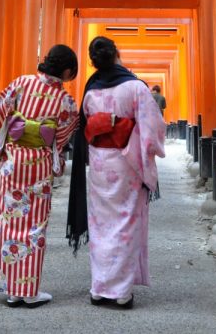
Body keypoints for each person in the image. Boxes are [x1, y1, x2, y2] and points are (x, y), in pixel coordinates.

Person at [66, 36, 166, 309]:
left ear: (93, 61)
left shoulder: (90, 89)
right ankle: (121, 291)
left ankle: (99, 288)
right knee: (125, 222)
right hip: (127, 162)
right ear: (116, 55)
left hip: (100, 163)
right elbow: (152, 127)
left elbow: (86, 124)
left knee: (100, 225)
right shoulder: (135, 87)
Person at [0, 44, 80, 308]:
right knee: (34, 224)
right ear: (66, 71)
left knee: (8, 220)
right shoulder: (65, 101)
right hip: (38, 164)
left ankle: (11, 289)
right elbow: (61, 137)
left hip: (13, 160)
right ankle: (29, 290)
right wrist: (56, 157)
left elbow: (1, 115)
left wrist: (1, 147)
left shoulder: (20, 83)